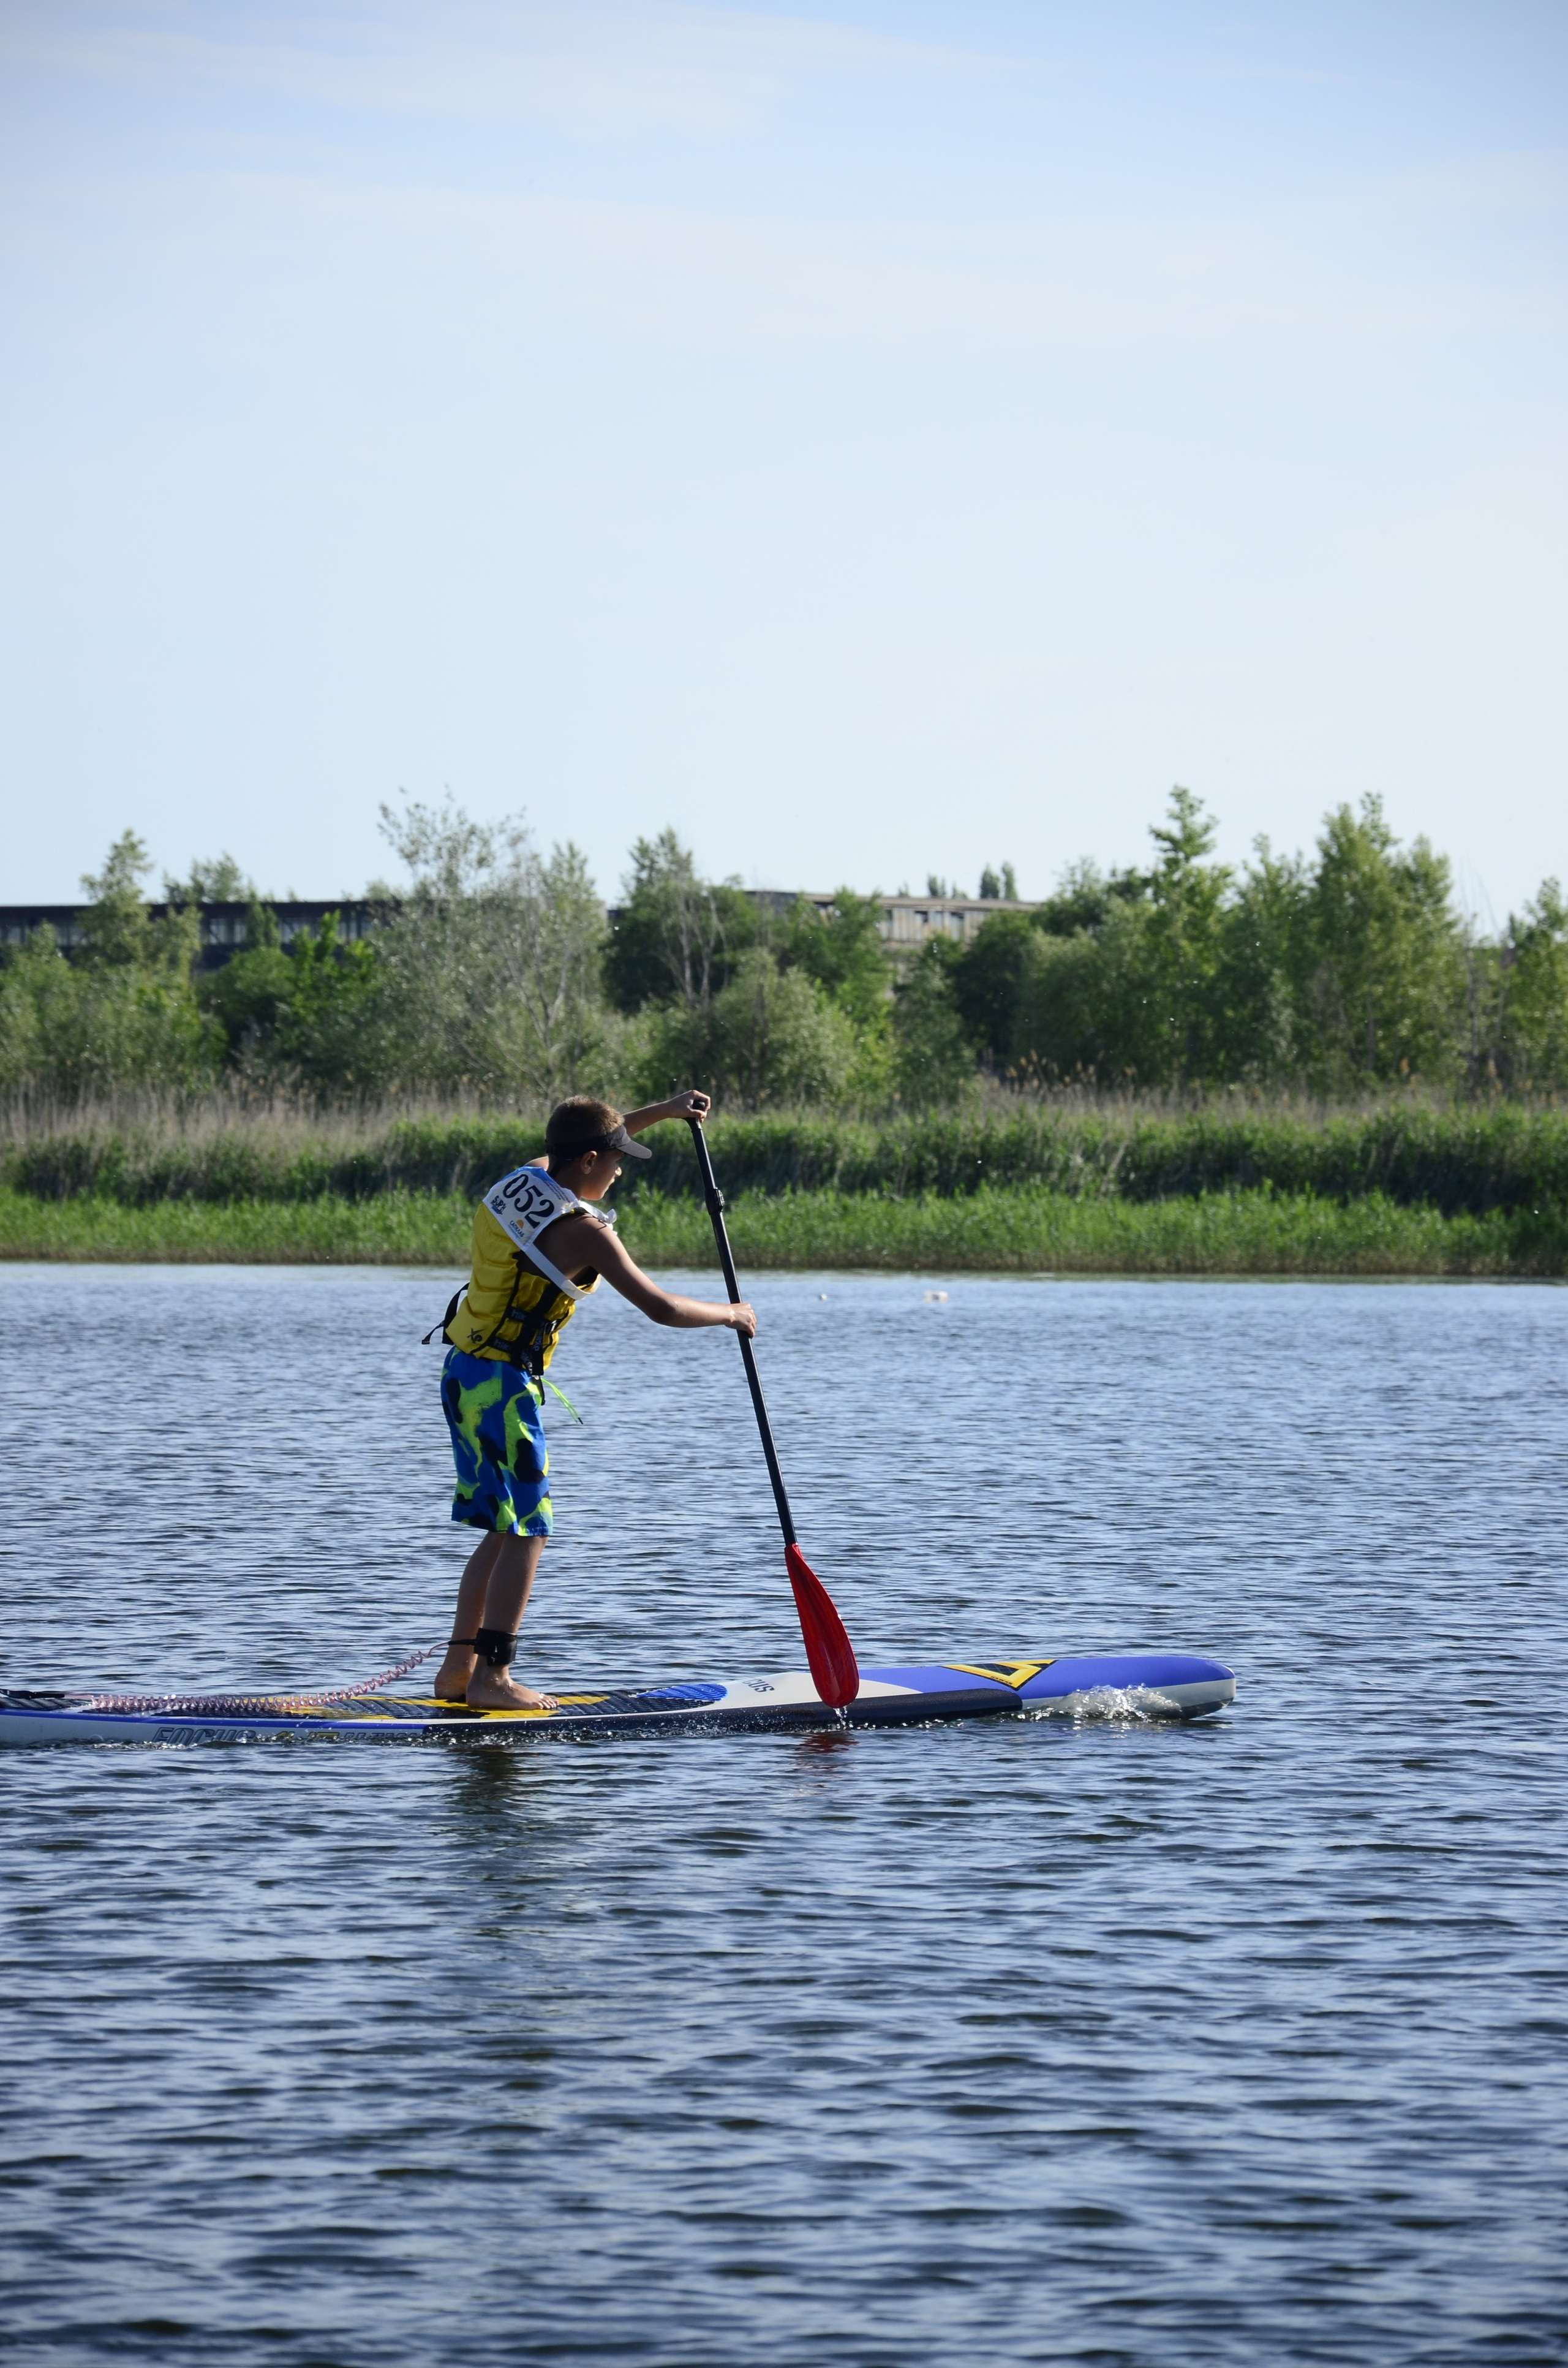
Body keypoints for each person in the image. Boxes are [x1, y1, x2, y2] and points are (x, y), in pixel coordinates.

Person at [429, 1089, 756, 1712]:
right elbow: (661, 1307)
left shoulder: (524, 1178)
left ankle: (456, 1672)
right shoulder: (583, 1232)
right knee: (529, 1530)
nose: (620, 1167)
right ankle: (493, 1678)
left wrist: (665, 1109)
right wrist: (731, 1314)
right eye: (614, 1158)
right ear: (586, 1162)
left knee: (503, 1531)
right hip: (502, 1386)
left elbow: (588, 1136)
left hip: (464, 1373)